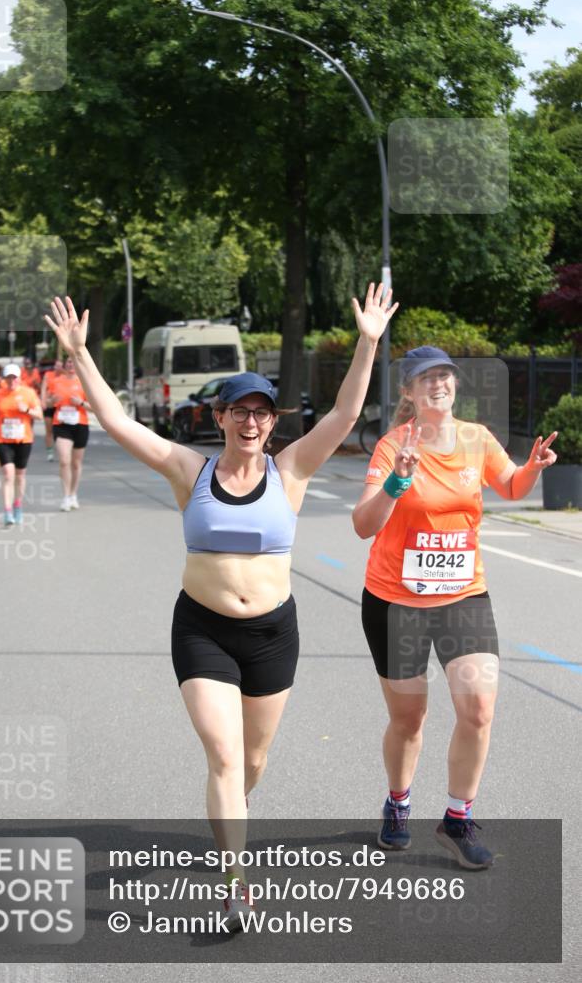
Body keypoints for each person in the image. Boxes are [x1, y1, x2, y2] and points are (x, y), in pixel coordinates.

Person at [44, 284, 398, 928]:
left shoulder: (291, 471)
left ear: (272, 421)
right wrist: (78, 355)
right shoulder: (190, 471)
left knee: (253, 762)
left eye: (263, 412)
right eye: (241, 412)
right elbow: (119, 424)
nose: (253, 422)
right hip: (202, 630)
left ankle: (228, 810)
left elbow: (345, 416)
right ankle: (238, 883)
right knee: (226, 756)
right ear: (222, 418)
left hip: (272, 635)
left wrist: (369, 341)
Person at [352, 346, 558, 870]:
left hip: (463, 596)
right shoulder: (392, 447)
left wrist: (532, 467)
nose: (438, 384)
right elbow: (364, 524)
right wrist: (398, 480)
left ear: (454, 385)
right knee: (409, 719)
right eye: (426, 378)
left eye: (445, 376)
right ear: (409, 392)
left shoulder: (477, 439)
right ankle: (398, 802)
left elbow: (510, 486)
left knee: (479, 709)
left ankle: (457, 818)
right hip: (396, 602)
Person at [0, 362, 43, 526]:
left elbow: (39, 415)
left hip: (23, 439)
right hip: (3, 438)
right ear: (4, 379)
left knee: (20, 476)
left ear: (19, 378)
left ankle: (18, 505)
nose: (11, 380)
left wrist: (26, 410)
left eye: (14, 377)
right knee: (8, 474)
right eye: (8, 377)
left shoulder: (28, 393)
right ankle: (7, 511)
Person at [50, 355, 91, 510]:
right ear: (65, 365)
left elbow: (94, 407)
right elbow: (47, 403)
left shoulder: (84, 382)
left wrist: (80, 403)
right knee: (64, 460)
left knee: (76, 463)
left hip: (80, 424)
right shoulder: (57, 381)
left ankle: (73, 494)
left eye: (74, 362)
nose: (71, 365)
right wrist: (52, 400)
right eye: (68, 362)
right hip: (61, 424)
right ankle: (66, 496)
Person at [41, 358, 63, 460]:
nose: (58, 368)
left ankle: (63, 451)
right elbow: (43, 388)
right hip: (49, 405)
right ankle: (50, 452)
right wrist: (43, 401)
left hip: (60, 406)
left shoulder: (65, 376)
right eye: (56, 366)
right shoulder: (48, 375)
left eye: (60, 366)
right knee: (49, 430)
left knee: (60, 430)